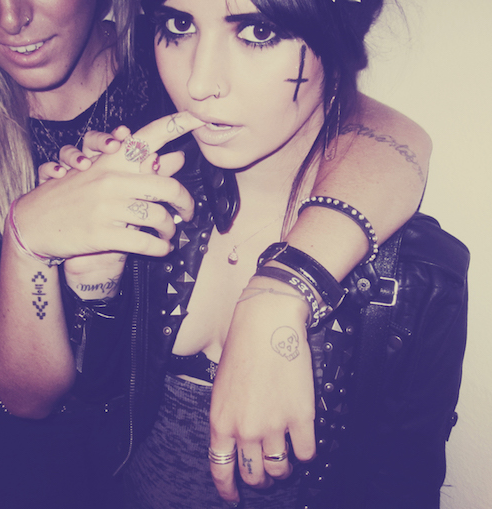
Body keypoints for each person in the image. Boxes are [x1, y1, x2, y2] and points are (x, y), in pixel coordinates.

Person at [0, 0, 433, 508]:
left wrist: (282, 289)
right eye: (181, 25)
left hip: (121, 439)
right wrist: (29, 241)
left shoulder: (153, 65)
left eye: (258, 32)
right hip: (20, 437)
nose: (10, 16)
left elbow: (383, 132)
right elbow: (28, 395)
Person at [53, 0, 468, 507]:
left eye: (258, 32)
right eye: (179, 24)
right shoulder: (157, 196)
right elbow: (99, 404)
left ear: (338, 32)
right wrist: (94, 284)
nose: (199, 82)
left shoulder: (413, 276)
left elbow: (400, 487)